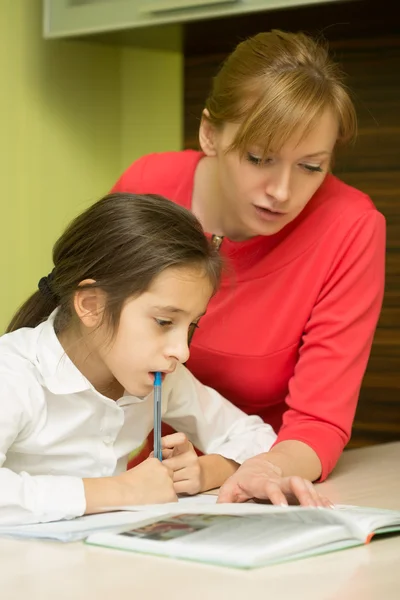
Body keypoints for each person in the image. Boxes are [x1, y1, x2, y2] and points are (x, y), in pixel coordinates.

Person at [111, 30, 386, 502]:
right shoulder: (148, 185)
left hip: (259, 485)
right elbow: (88, 343)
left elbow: (319, 420)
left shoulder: (351, 228)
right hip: (150, 485)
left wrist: (263, 468)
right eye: (260, 158)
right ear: (209, 134)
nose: (282, 191)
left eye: (311, 167)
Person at [0, 192, 330, 526]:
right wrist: (118, 491)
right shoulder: (13, 373)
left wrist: (208, 470)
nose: (182, 352)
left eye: (191, 325)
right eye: (164, 322)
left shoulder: (163, 377)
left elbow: (255, 437)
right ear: (91, 306)